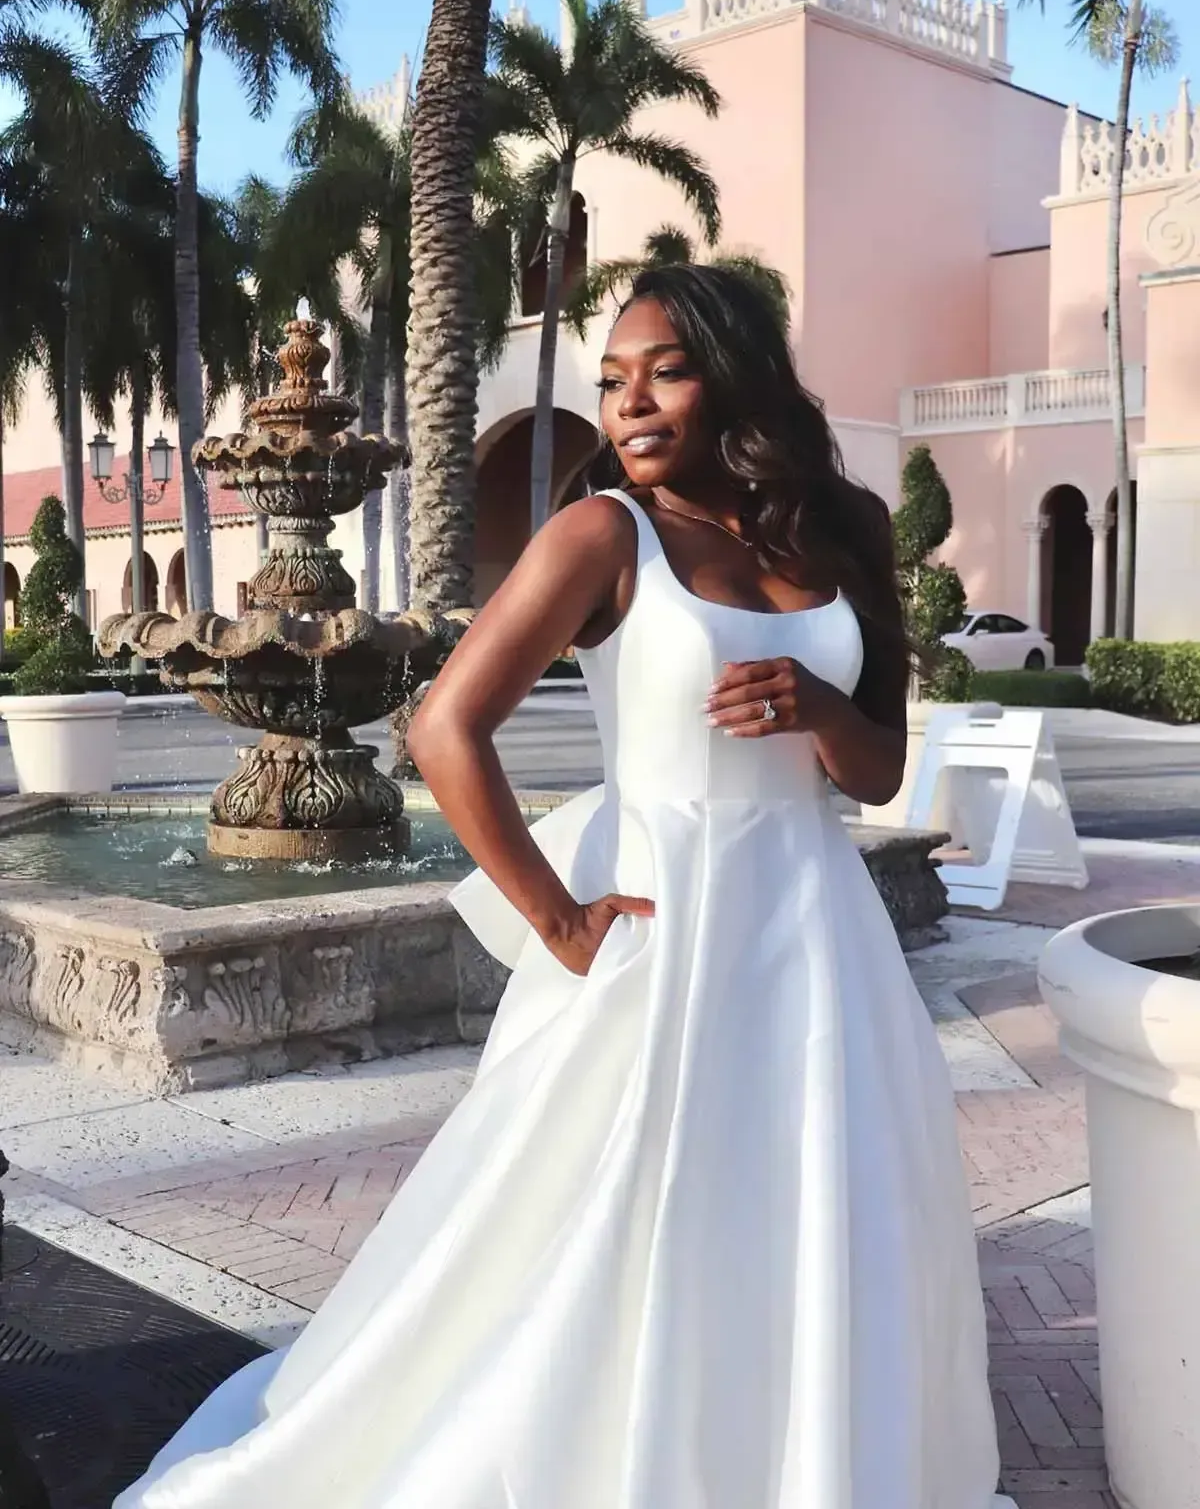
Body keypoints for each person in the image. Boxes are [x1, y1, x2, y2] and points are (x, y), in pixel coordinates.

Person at [115, 265, 1014, 1508]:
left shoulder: (842, 529)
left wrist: (816, 706)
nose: (629, 402)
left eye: (665, 372)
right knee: (626, 1218)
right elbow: (445, 727)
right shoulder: (605, 535)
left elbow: (877, 773)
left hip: (820, 937)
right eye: (612, 380)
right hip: (664, 936)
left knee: (812, 1206)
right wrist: (559, 919)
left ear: (735, 377)